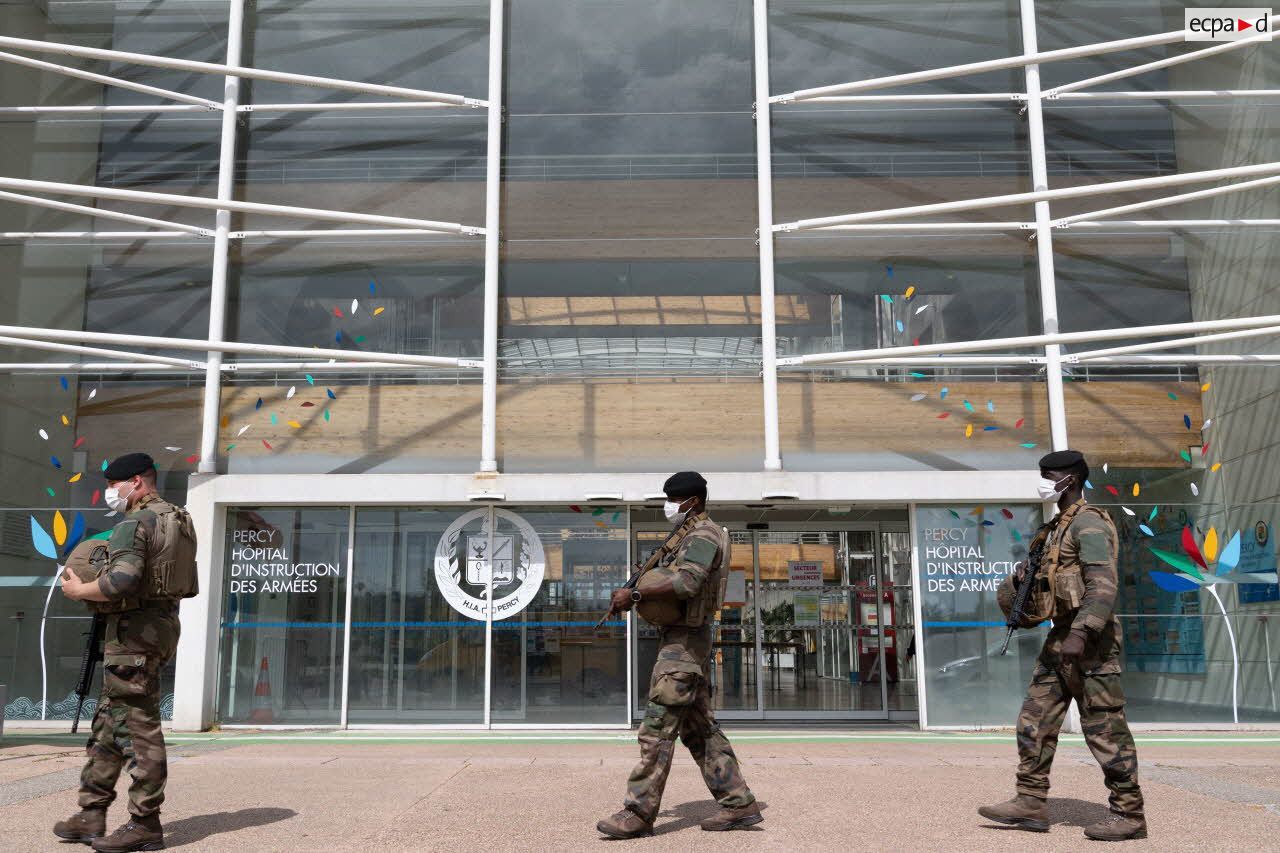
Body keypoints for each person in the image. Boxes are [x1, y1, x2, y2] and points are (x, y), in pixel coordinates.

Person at [979, 449, 1146, 842]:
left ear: (1070, 479)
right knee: (1033, 721)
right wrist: (1025, 578)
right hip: (1060, 637)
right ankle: (1031, 801)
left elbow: (1103, 585)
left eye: (1049, 475)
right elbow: (1051, 584)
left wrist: (1082, 632)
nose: (1043, 481)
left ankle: (1130, 814)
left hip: (1092, 642)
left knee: (1105, 730)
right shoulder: (1054, 528)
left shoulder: (1088, 524)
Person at [596, 471, 761, 839]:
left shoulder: (702, 534)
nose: (668, 506)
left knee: (656, 729)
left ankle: (637, 813)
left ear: (694, 501)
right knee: (699, 729)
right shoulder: (686, 532)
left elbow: (688, 581)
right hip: (683, 641)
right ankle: (739, 803)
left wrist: (636, 596)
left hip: (684, 645)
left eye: (674, 500)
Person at [55, 453, 199, 853]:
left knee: (137, 725)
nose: (110, 493)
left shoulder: (135, 522)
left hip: (133, 637)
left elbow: (120, 582)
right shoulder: (179, 519)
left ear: (136, 482)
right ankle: (91, 813)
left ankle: (145, 823)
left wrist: (78, 590)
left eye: (115, 485)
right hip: (160, 628)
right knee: (108, 721)